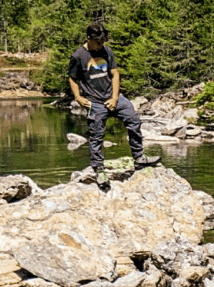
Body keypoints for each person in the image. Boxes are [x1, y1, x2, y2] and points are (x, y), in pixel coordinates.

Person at [67, 20, 157, 179]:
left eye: (102, 42)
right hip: (94, 102)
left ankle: (139, 158)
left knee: (134, 120)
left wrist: (115, 98)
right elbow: (72, 78)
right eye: (97, 42)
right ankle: (99, 169)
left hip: (113, 97)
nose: (100, 45)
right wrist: (78, 97)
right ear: (88, 38)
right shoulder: (78, 56)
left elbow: (115, 74)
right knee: (96, 136)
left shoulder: (107, 51)